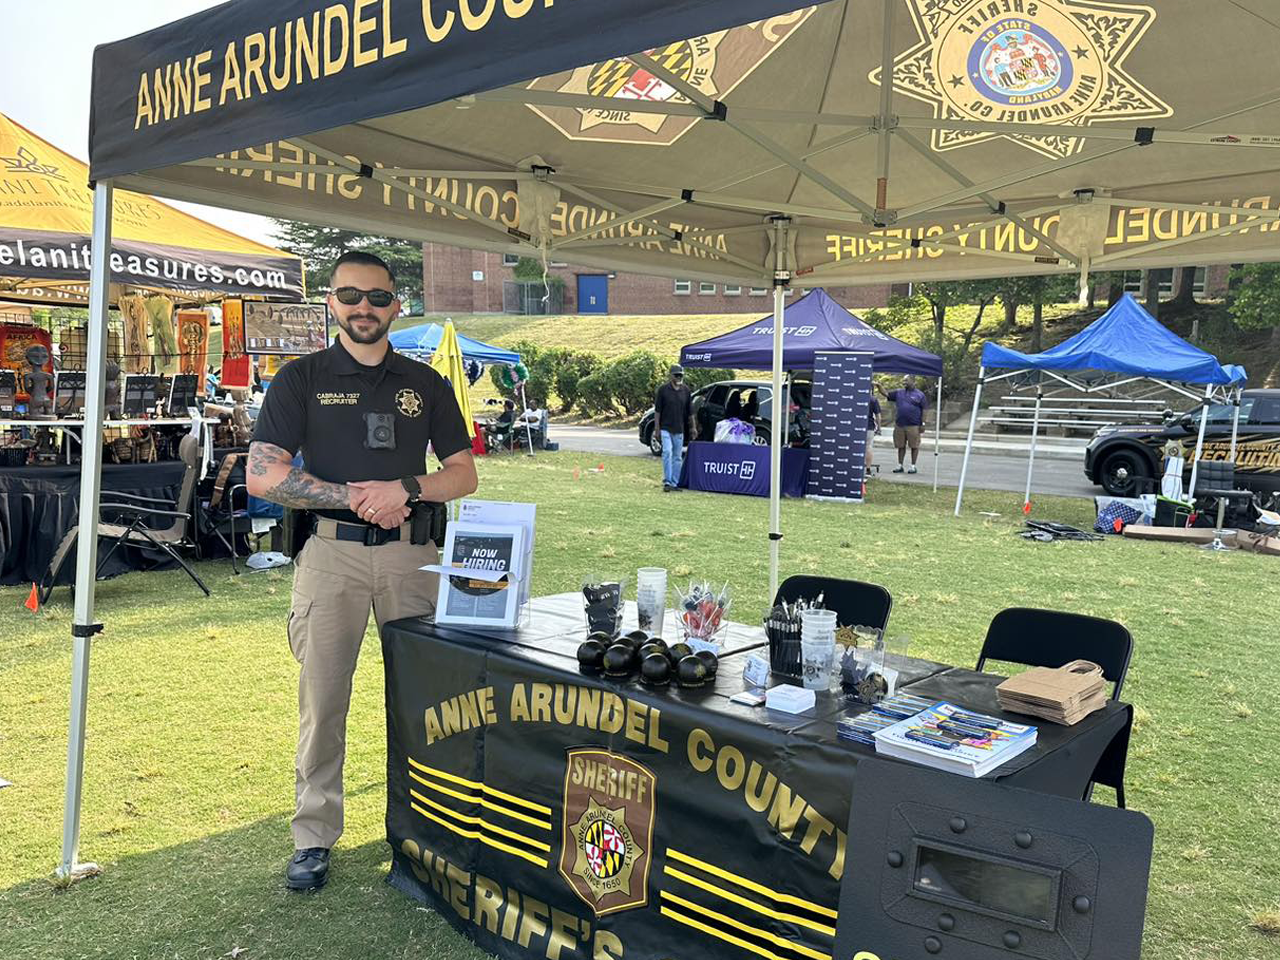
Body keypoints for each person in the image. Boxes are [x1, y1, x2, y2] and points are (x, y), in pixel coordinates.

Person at [246, 251, 478, 892]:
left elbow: (463, 472)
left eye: (377, 297)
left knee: (431, 702)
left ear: (396, 305)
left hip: (413, 557)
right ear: (331, 302)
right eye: (350, 296)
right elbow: (263, 473)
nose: (364, 308)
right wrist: (353, 495)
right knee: (323, 704)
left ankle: (431, 831)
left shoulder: (425, 383)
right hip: (331, 557)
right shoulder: (301, 378)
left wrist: (405, 485)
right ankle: (314, 836)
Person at [877, 375, 929, 474]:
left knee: (914, 446)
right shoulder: (899, 393)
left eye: (906, 380)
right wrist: (879, 386)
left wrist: (923, 423)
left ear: (913, 381)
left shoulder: (920, 395)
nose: (904, 382)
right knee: (900, 446)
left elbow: (925, 410)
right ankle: (900, 465)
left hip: (914, 425)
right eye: (903, 380)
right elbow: (886, 394)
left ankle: (913, 466)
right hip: (900, 424)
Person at [654, 363, 693, 492]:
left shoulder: (686, 391)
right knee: (667, 452)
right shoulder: (663, 390)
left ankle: (675, 483)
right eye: (676, 375)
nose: (679, 377)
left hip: (679, 429)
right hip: (665, 428)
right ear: (671, 376)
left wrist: (693, 427)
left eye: (680, 375)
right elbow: (657, 411)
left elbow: (690, 411)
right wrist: (657, 428)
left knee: (677, 457)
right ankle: (667, 481)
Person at [866, 393, 881, 472]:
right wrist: (879, 427)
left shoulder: (855, 397)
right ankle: (868, 469)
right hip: (869, 426)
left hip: (855, 426)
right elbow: (878, 415)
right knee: (868, 447)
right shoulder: (873, 399)